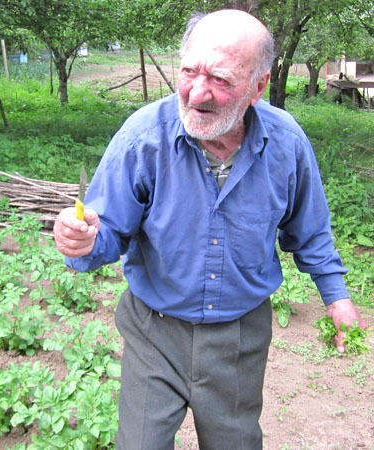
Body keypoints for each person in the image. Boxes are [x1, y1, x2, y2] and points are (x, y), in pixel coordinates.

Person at [53, 8, 368, 450]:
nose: (197, 93)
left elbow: (310, 231)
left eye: (220, 79)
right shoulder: (143, 138)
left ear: (258, 86)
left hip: (240, 339)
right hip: (154, 332)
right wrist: (82, 240)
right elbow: (106, 232)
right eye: (188, 72)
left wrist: (337, 299)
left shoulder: (287, 144)